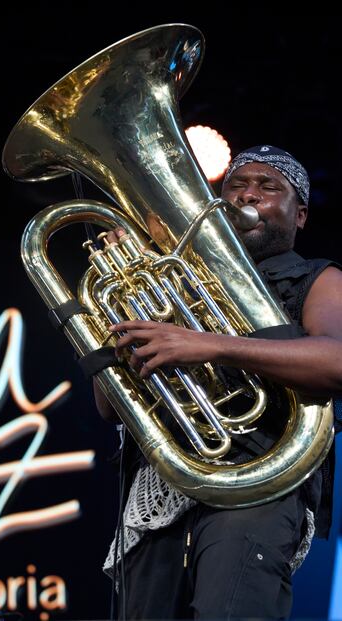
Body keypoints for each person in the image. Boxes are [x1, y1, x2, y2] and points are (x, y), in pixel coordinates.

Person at [93, 145, 342, 619]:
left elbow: (336, 363)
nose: (248, 194)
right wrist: (124, 305)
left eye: (269, 188)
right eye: (236, 185)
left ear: (301, 214)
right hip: (164, 489)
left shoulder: (318, 278)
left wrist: (209, 344)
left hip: (259, 482)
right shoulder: (174, 278)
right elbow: (110, 407)